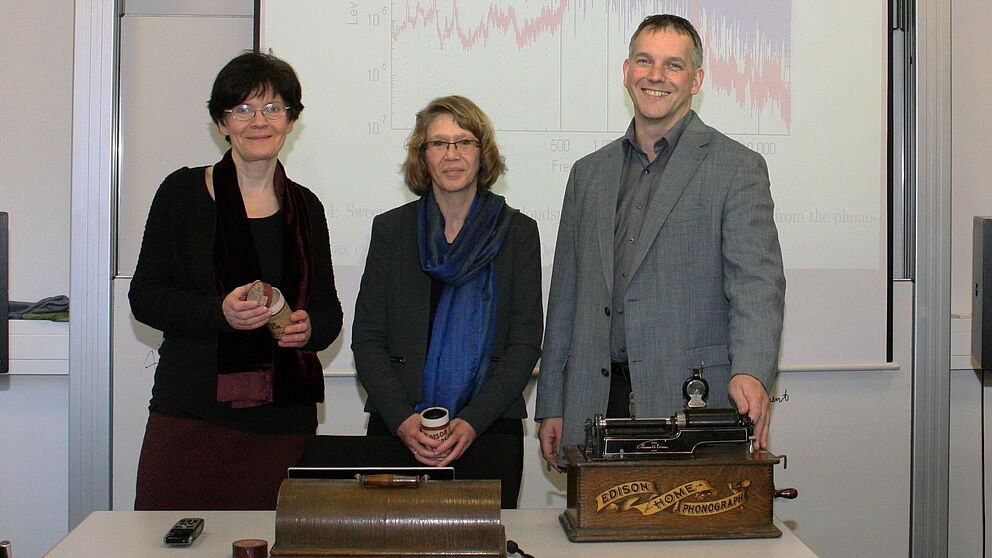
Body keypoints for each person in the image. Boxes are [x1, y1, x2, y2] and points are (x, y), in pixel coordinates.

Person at [536, 14, 786, 470]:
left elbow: (757, 284)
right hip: (595, 401)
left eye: (673, 65)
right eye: (644, 61)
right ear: (626, 70)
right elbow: (566, 294)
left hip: (690, 403)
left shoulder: (736, 168)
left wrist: (751, 370)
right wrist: (552, 399)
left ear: (696, 80)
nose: (655, 76)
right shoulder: (587, 174)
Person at [129, 51, 343, 509]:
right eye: (242, 109)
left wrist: (310, 328)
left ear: (291, 121)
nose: (258, 121)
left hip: (284, 421)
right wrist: (218, 312)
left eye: (272, 108)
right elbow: (145, 297)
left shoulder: (308, 207)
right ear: (221, 122)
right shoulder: (182, 193)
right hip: (192, 413)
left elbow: (329, 313)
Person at [352, 95, 543, 508]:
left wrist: (473, 422)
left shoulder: (518, 233)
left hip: (489, 431)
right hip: (399, 432)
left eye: (464, 142)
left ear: (482, 152)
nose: (451, 154)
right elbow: (367, 338)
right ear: (423, 156)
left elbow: (525, 342)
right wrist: (403, 421)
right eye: (438, 143)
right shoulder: (391, 230)